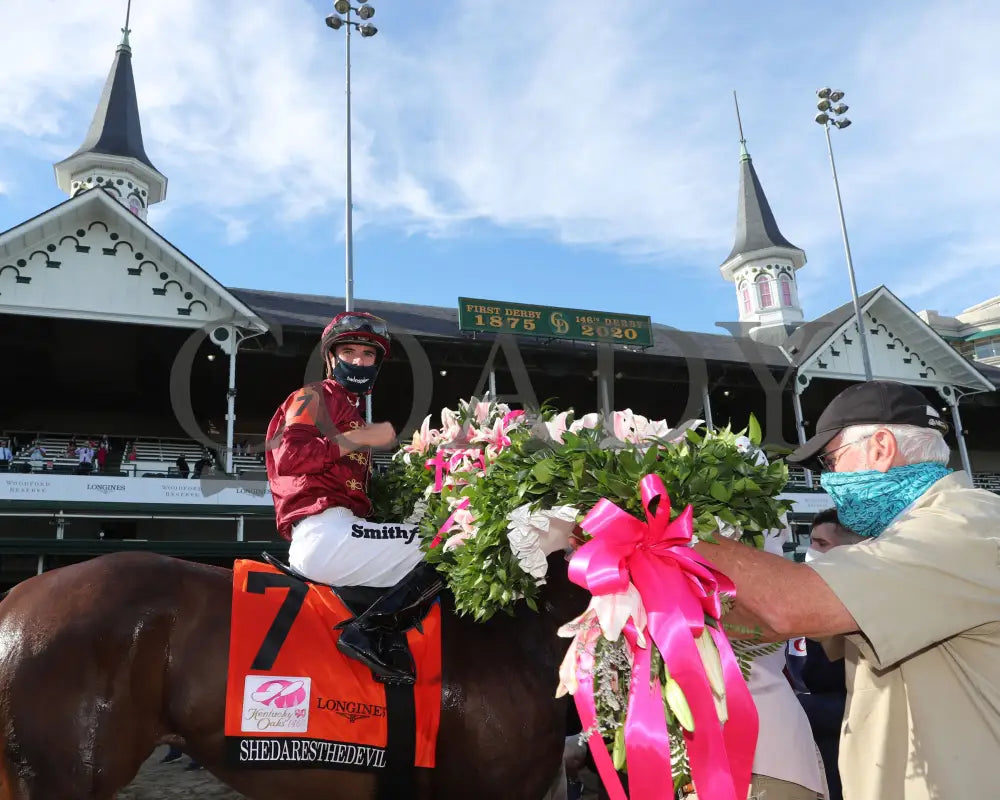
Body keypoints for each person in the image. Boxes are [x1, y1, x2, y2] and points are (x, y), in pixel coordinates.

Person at [696, 379, 1000, 800]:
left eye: (831, 460)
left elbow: (785, 609)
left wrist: (658, 521)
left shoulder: (961, 527)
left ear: (880, 447)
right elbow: (777, 627)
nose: (828, 481)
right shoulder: (910, 536)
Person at [265, 311, 442, 684]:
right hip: (323, 532)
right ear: (332, 358)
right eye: (349, 352)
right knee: (447, 545)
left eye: (367, 355)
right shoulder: (310, 396)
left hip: (343, 530)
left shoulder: (353, 414)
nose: (358, 362)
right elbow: (289, 456)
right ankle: (372, 632)